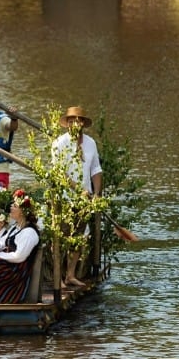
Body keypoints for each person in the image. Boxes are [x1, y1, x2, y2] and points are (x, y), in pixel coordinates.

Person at [52, 106, 102, 287]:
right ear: (67, 123)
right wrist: (77, 189)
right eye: (71, 120)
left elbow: (96, 169)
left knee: (80, 237)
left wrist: (96, 193)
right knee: (62, 236)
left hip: (86, 198)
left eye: (78, 120)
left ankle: (70, 275)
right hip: (64, 197)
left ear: (82, 123)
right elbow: (59, 173)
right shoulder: (59, 143)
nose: (75, 123)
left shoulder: (90, 143)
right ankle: (58, 278)